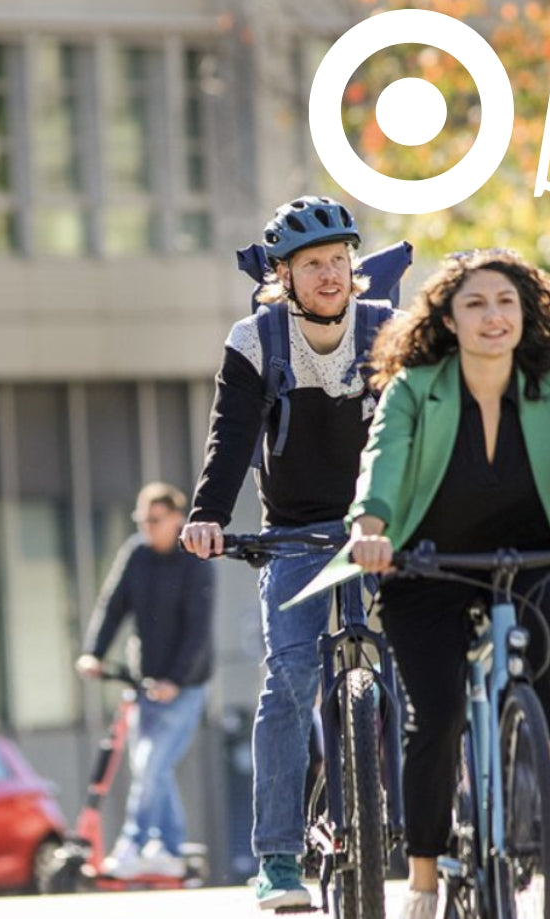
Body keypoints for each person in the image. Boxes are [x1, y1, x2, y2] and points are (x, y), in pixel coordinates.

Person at [344, 248, 550, 919]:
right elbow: (382, 463)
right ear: (448, 320)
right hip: (426, 565)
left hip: (528, 553)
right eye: (475, 304)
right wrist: (369, 531)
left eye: (505, 302)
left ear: (525, 313)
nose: (493, 316)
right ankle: (424, 877)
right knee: (436, 717)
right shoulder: (415, 388)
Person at [179, 195, 387, 910]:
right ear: (284, 275)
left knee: (423, 661)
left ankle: (440, 829)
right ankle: (278, 857)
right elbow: (230, 438)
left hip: (379, 528)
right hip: (295, 532)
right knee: (292, 677)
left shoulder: (385, 331)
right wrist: (208, 517)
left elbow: (416, 430)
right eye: (313, 264)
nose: (330, 274)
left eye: (339, 260)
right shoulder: (257, 339)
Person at [76, 482, 215, 879]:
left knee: (151, 764)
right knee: (151, 768)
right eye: (142, 520)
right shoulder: (136, 554)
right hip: (145, 684)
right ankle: (168, 850)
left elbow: (198, 631)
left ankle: (133, 844)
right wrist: (94, 652)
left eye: (155, 520)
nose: (147, 527)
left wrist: (175, 680)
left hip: (185, 687)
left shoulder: (195, 560)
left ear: (177, 519)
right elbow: (113, 605)